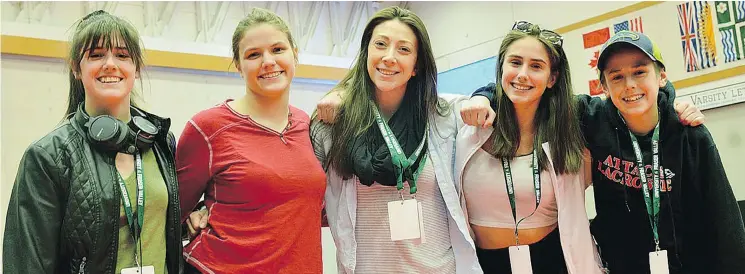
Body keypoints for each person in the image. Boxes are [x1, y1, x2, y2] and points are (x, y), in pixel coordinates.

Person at [464, 30, 744, 274]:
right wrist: (483, 96)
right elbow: (526, 90)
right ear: (603, 86)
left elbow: (724, 220)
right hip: (621, 267)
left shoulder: (688, 132)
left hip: (689, 267)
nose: (630, 85)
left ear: (662, 77)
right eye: (617, 76)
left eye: (640, 72)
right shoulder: (592, 119)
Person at [3, 10, 182, 274]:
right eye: (97, 55)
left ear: (136, 69)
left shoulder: (160, 142)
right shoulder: (47, 157)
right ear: (77, 68)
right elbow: (27, 263)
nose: (110, 64)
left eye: (122, 55)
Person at [310, 6, 481, 274]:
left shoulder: (445, 117)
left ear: (417, 65)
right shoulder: (333, 125)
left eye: (403, 49)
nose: (389, 57)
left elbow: (509, 103)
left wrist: (485, 95)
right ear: (367, 52)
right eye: (380, 44)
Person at [175, 7, 326, 274]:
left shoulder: (307, 124)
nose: (268, 61)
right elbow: (172, 209)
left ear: (295, 55)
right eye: (254, 54)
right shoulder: (207, 128)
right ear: (238, 66)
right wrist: (194, 215)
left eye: (278, 49)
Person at [451, 21, 605, 274]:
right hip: (483, 263)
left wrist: (672, 105)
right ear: (501, 69)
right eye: (515, 62)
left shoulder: (571, 126)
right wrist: (481, 95)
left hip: (552, 259)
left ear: (552, 78)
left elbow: (627, 113)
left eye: (536, 66)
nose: (523, 74)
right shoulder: (470, 123)